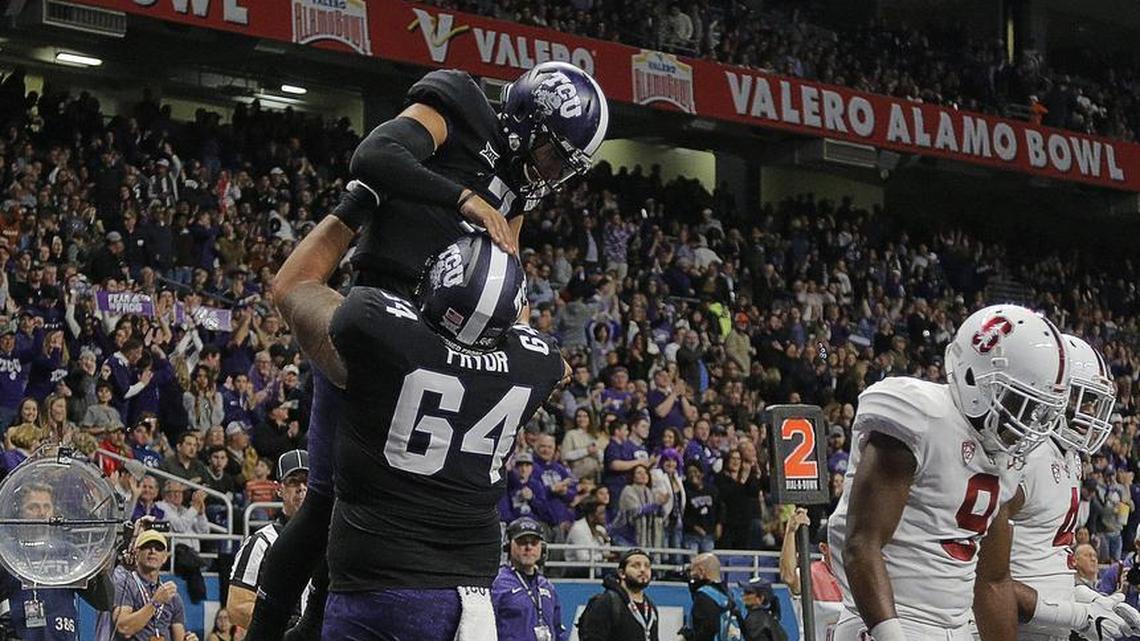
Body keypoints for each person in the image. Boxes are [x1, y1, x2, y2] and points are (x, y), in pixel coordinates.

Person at [246, 59, 608, 641]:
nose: (553, 173)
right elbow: (373, 158)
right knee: (327, 504)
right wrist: (461, 196)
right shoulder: (460, 105)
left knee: (345, 510)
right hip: (380, 323)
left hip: (430, 343)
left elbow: (502, 273)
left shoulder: (519, 183)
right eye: (553, 155)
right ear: (527, 120)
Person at [270, 222, 569, 641]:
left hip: (374, 584)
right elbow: (537, 347)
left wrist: (355, 207)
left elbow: (291, 286)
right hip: (469, 596)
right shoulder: (535, 364)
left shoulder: (381, 329)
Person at [827, 305, 1092, 641]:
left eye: (1038, 409)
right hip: (886, 622)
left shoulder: (1005, 457)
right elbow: (862, 544)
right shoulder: (922, 416)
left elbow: (993, 581)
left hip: (955, 626)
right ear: (974, 376)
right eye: (1017, 402)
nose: (1026, 423)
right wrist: (891, 635)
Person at [1002, 334, 1140, 641]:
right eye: (1083, 398)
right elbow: (984, 575)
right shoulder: (1023, 456)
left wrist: (1090, 599)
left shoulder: (1068, 457)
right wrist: (1078, 615)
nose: (1091, 413)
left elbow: (1046, 561)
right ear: (1052, 392)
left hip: (1046, 625)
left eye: (1094, 402)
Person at [0, 483, 116, 641]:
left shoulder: (70, 552)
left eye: (46, 506)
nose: (42, 513)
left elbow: (105, 603)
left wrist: (101, 575)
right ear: (19, 512)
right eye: (33, 507)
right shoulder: (7, 554)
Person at [228, 450, 310, 629]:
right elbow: (238, 607)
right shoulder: (261, 542)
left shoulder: (330, 542)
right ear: (279, 489)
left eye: (307, 481)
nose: (301, 488)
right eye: (293, 481)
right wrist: (288, 630)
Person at [109, 529, 197, 641]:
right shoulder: (125, 584)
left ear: (165, 557)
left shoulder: (172, 596)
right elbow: (124, 628)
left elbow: (179, 637)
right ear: (136, 553)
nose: (153, 551)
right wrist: (155, 603)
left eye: (158, 548)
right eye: (147, 546)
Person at [492, 517, 568, 641]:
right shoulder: (498, 585)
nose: (528, 547)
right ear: (508, 546)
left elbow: (558, 630)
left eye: (534, 542)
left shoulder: (546, 586)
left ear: (541, 548)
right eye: (522, 542)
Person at [778, 509, 842, 641]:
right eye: (837, 544)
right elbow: (788, 576)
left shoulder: (856, 577)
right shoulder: (811, 574)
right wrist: (790, 532)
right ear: (824, 548)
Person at [577, 548, 659, 641]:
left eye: (647, 566)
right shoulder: (606, 602)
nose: (643, 570)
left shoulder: (651, 608)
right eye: (636, 566)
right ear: (622, 573)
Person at [686, 553, 743, 641]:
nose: (691, 576)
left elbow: (705, 633)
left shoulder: (704, 596)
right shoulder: (733, 595)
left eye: (692, 570)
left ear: (701, 571)